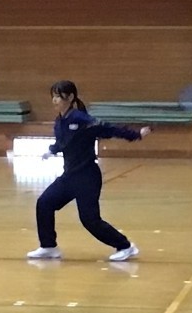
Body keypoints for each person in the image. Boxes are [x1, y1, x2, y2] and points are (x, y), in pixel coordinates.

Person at [27, 80, 151, 262]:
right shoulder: (60, 121)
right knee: (44, 203)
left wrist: (136, 135)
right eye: (53, 96)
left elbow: (107, 129)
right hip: (69, 176)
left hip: (87, 177)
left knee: (89, 220)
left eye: (58, 96)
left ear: (70, 97)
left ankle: (125, 246)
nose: (54, 100)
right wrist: (51, 150)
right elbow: (64, 142)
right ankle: (49, 247)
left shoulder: (82, 119)